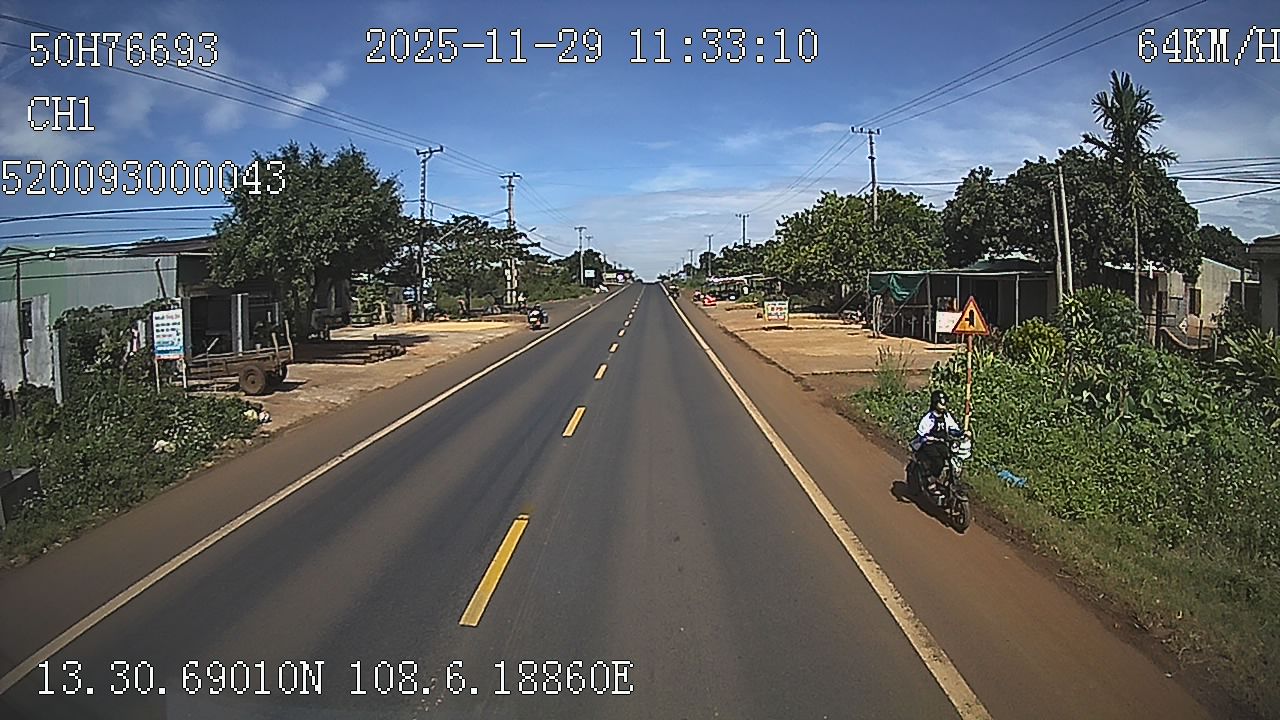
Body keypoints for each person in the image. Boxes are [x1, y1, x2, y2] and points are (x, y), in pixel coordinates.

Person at [910, 390, 961, 489]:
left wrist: (961, 433)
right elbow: (922, 431)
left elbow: (953, 428)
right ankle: (931, 480)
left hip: (941, 443)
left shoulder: (946, 416)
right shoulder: (929, 417)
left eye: (944, 404)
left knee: (950, 458)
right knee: (938, 462)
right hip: (930, 444)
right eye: (941, 404)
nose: (943, 406)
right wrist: (925, 437)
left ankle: (949, 480)